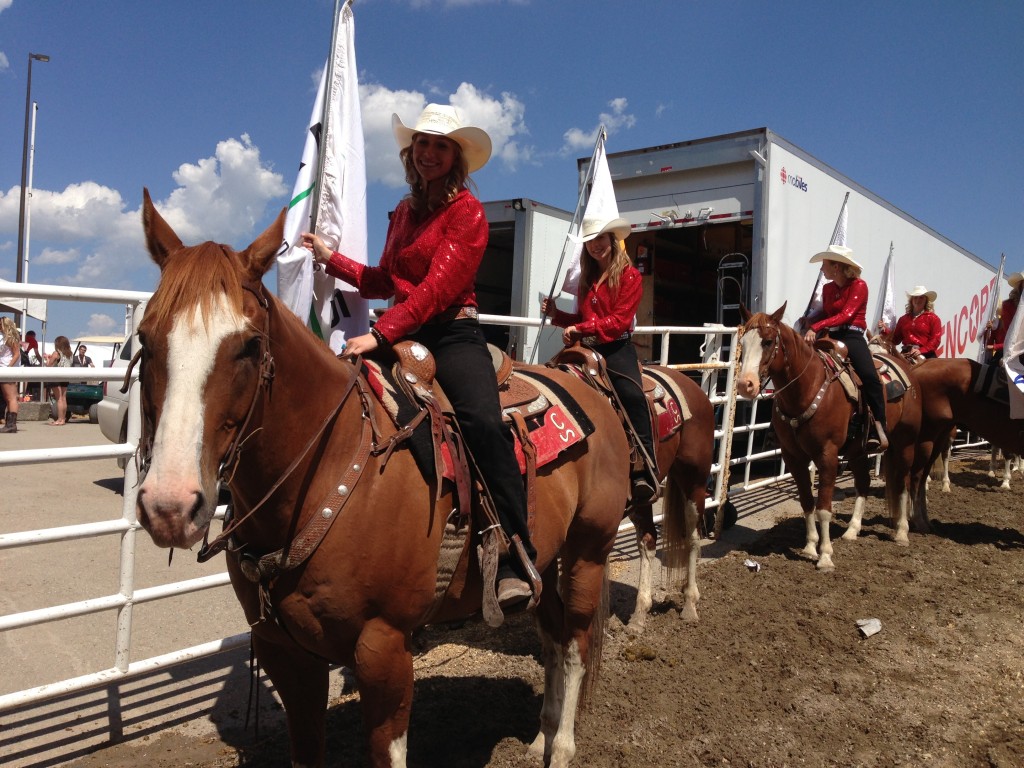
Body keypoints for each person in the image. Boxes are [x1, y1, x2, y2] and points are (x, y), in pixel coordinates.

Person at [300, 103, 536, 609]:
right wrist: (330, 258)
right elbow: (387, 279)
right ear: (413, 152)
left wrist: (380, 335)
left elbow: (435, 291)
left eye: (440, 145)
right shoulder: (405, 212)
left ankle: (516, 551)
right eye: (423, 144)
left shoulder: (467, 212)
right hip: (404, 330)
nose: (429, 153)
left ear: (455, 156)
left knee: (482, 422)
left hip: (452, 332)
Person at [540, 216, 659, 504]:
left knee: (632, 395)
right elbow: (581, 319)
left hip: (615, 348)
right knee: (552, 383)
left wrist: (580, 328)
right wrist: (557, 314)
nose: (596, 246)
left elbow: (618, 322)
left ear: (612, 241)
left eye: (601, 239)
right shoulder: (587, 279)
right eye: (591, 241)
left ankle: (646, 467)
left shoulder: (629, 276)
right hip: (584, 347)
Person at [800, 245, 888, 451]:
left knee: (869, 377)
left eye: (825, 265)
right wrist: (809, 320)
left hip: (852, 336)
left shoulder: (859, 285)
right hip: (832, 335)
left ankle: (879, 425)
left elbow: (847, 314)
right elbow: (825, 313)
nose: (822, 269)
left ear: (836, 267)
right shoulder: (828, 289)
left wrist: (817, 326)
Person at [880, 285, 942, 359]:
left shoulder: (933, 318)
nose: (918, 300)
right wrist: (885, 330)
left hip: (926, 355)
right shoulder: (903, 319)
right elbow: (895, 339)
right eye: (915, 297)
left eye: (921, 297)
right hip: (906, 353)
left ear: (926, 300)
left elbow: (935, 340)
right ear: (911, 300)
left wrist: (921, 350)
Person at [985, 271, 1024, 363]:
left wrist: (995, 346)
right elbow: (1010, 336)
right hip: (1006, 353)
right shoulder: (1007, 306)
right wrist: (991, 328)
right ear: (1020, 285)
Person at [44, 335, 73, 426]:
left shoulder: (56, 353)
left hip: (56, 376)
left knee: (58, 398)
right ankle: (63, 419)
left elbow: (49, 365)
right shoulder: (69, 354)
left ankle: (59, 419)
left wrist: (47, 358)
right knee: (64, 398)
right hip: (65, 376)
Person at [1, 317, 22, 434]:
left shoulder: (10, 338)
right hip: (6, 369)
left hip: (7, 369)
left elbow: (16, 354)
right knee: (9, 397)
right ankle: (10, 423)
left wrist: (9, 367)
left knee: (11, 397)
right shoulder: (6, 338)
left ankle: (11, 424)